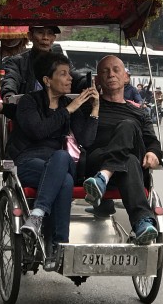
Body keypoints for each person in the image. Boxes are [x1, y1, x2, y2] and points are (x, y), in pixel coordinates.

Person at [8, 53, 99, 263]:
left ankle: (37, 215)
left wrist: (94, 108)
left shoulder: (70, 104)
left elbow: (86, 139)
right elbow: (39, 131)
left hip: (60, 161)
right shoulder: (29, 102)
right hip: (28, 161)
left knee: (60, 157)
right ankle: (59, 245)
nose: (70, 79)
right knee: (64, 180)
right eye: (63, 74)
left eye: (69, 74)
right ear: (47, 80)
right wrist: (69, 110)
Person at [82, 56, 162, 245]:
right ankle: (142, 221)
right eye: (105, 71)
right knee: (130, 160)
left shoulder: (139, 112)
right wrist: (93, 107)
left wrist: (153, 153)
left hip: (121, 174)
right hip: (96, 162)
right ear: (97, 80)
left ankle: (105, 176)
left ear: (126, 77)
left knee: (129, 130)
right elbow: (82, 139)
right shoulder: (89, 107)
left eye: (116, 70)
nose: (111, 74)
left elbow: (153, 142)